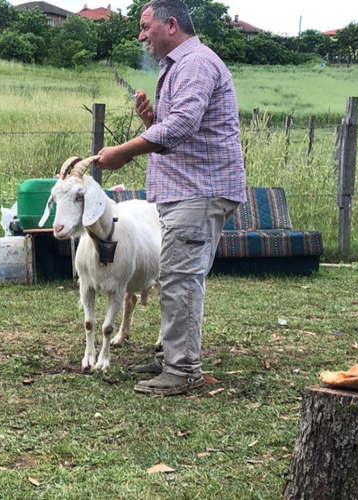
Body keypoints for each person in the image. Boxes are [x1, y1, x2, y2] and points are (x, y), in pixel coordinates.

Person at [96, 0, 246, 396]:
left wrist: (125, 150)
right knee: (174, 275)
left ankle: (182, 371)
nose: (141, 35)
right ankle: (171, 358)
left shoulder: (195, 63)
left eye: (145, 26)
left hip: (199, 191)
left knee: (181, 278)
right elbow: (179, 130)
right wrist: (151, 122)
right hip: (188, 190)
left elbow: (182, 125)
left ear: (171, 25)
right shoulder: (178, 66)